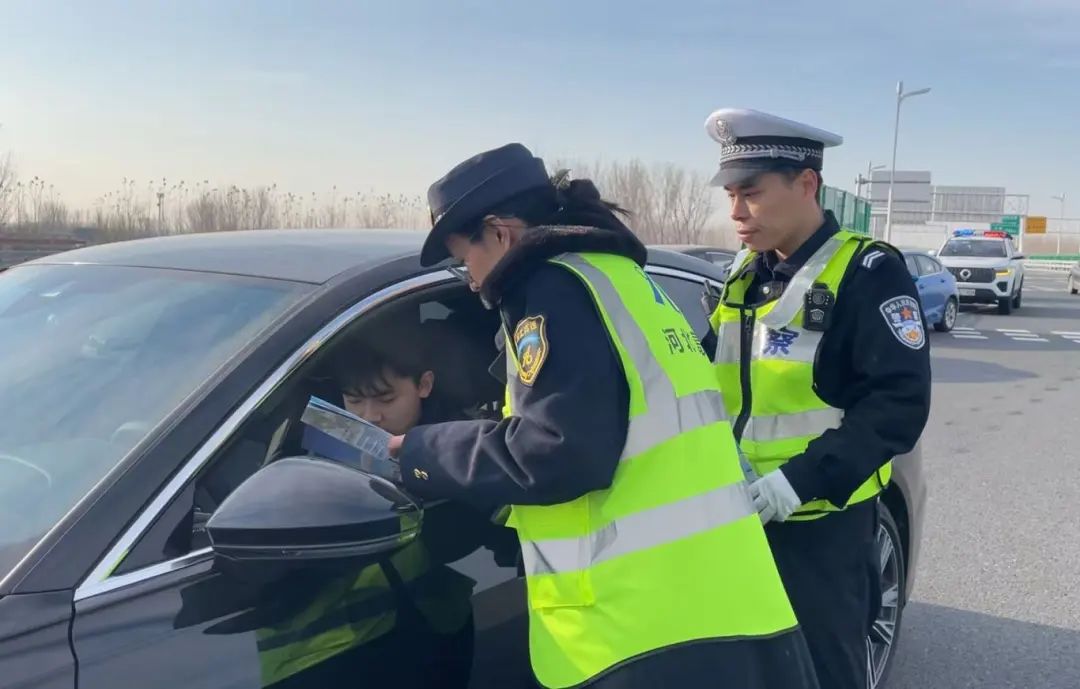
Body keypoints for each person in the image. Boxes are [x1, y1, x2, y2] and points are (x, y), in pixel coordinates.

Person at [383, 142, 821, 689]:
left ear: (499, 233)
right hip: (721, 606)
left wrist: (422, 450)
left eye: (462, 258)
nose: (469, 279)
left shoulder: (552, 290)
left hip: (645, 631)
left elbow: (560, 451)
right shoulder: (616, 277)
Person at [700, 108, 932, 689]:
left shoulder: (868, 272)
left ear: (806, 183)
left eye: (751, 193)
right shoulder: (744, 274)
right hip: (736, 519)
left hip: (820, 532)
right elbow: (703, 377)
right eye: (730, 195)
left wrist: (798, 482)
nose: (736, 212)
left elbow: (897, 404)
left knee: (822, 675)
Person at [256, 328, 480, 689]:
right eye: (354, 400)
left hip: (429, 627)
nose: (370, 416)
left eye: (386, 399)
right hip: (325, 647)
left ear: (424, 384)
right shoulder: (313, 437)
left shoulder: (464, 444)